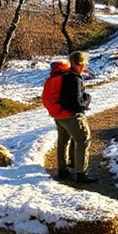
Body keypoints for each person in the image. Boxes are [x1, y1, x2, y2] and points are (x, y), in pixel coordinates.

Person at [41, 51, 98, 183]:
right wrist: (87, 99)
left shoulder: (63, 75)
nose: (85, 66)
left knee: (63, 141)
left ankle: (63, 171)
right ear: (81, 64)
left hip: (58, 115)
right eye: (85, 63)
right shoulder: (74, 79)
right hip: (71, 116)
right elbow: (77, 104)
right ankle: (81, 174)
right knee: (83, 140)